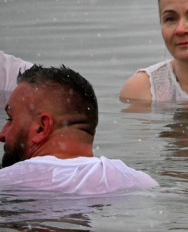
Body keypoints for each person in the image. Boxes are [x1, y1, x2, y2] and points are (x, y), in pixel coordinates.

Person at [1, 65, 158, 194]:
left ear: (42, 127)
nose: (2, 134)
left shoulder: (9, 182)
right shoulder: (139, 182)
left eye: (10, 119)